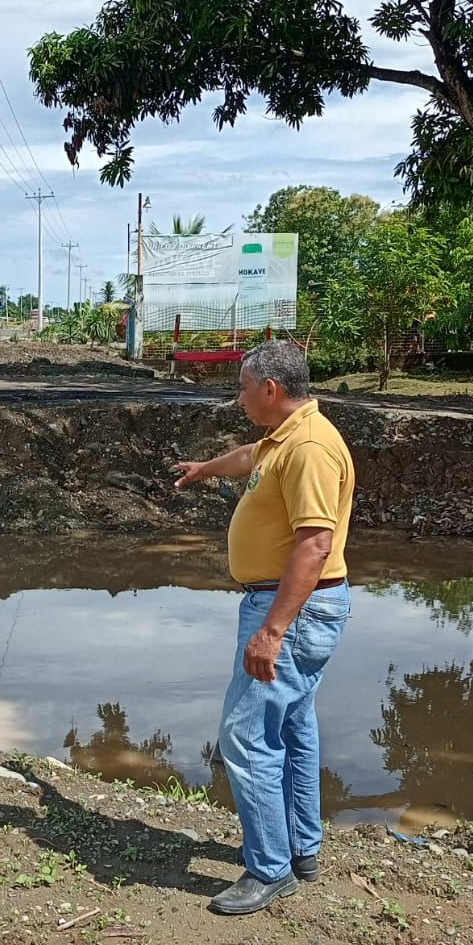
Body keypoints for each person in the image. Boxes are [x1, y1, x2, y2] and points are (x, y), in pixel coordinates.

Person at [172, 340, 354, 915]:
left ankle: (270, 870)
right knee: (294, 726)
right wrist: (206, 469)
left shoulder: (310, 449)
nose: (239, 398)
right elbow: (251, 456)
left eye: (243, 388)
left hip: (290, 609)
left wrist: (273, 631)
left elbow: (315, 544)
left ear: (271, 389)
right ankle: (301, 848)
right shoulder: (286, 438)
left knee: (246, 735)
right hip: (291, 606)